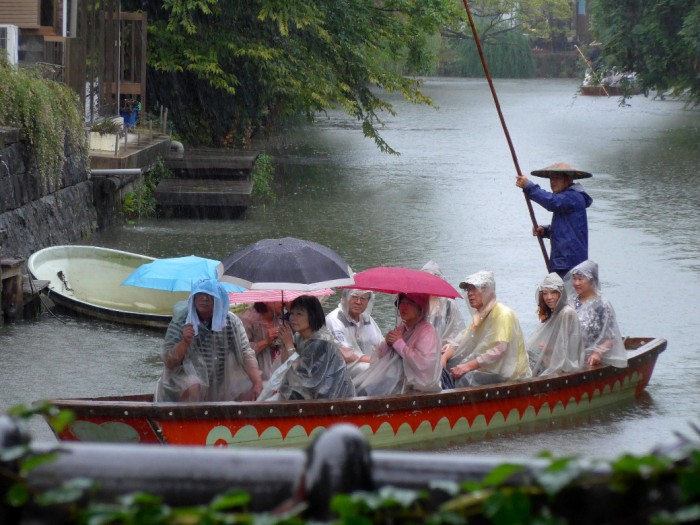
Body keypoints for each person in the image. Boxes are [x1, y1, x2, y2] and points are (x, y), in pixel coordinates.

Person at [155, 279, 263, 402]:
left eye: (210, 295)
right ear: (194, 297)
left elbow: (245, 353)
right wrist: (184, 342)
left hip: (217, 380)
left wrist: (257, 382)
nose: (204, 299)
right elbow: (169, 362)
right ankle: (188, 420)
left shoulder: (231, 322)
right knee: (194, 385)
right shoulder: (182, 320)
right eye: (200, 294)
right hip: (180, 383)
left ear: (219, 298)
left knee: (248, 386)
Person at [442, 271, 531, 387]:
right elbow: (465, 337)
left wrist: (467, 366)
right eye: (468, 290)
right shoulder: (481, 315)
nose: (470, 294)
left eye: (474, 289)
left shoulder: (503, 314)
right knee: (448, 367)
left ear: (488, 290)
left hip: (509, 374)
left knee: (464, 378)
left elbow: (499, 349)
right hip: (489, 369)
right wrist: (444, 357)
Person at [515, 162, 593, 278]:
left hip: (570, 263)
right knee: (559, 294)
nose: (552, 182)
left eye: (556, 178)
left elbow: (552, 202)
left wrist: (529, 186)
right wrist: (545, 231)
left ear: (568, 179)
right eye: (551, 179)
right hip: (563, 262)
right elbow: (566, 230)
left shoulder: (573, 197)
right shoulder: (566, 198)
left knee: (567, 294)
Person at [354, 293, 442, 396]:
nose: (404, 307)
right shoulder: (402, 328)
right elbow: (382, 359)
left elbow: (424, 365)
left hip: (417, 388)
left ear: (420, 307)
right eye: (402, 303)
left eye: (410, 303)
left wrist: (399, 343)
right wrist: (388, 343)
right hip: (395, 380)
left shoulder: (427, 331)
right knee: (359, 387)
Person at [276, 295, 355, 400]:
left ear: (312, 315)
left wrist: (289, 344)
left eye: (299, 314)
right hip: (312, 394)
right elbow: (286, 367)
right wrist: (284, 343)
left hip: (333, 398)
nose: (293, 318)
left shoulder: (320, 342)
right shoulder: (299, 336)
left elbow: (303, 377)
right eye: (291, 313)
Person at [570, 260, 627, 368]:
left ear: (592, 282)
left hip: (593, 359)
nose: (576, 283)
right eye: (574, 279)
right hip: (572, 356)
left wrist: (598, 352)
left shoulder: (602, 305)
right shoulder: (571, 301)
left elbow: (611, 336)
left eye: (580, 279)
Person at [526, 273, 583, 376]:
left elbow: (573, 347)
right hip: (547, 360)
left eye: (553, 292)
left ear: (561, 293)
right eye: (545, 293)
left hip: (562, 367)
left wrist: (550, 348)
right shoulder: (552, 313)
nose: (549, 297)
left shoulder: (567, 313)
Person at [325, 289, 382, 379]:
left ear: (368, 301)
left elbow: (378, 342)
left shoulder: (366, 318)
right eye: (354, 297)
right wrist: (372, 360)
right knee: (368, 369)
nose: (358, 302)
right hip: (339, 370)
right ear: (344, 298)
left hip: (365, 363)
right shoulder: (335, 320)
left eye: (363, 298)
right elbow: (345, 354)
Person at [239, 301, 284, 381]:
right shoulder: (247, 320)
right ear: (266, 300)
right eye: (277, 298)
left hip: (278, 377)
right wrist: (265, 341)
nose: (283, 302)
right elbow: (241, 352)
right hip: (256, 380)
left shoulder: (279, 320)